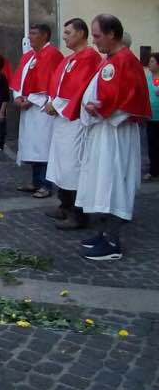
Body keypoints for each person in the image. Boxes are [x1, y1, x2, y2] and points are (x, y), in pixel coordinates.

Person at [70, 14, 151, 260]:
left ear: (112, 34)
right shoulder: (112, 60)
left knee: (114, 183)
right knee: (102, 182)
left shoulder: (126, 61)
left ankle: (113, 242)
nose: (94, 41)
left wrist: (100, 110)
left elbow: (131, 101)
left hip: (116, 134)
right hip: (103, 131)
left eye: (97, 36)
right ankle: (104, 233)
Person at [44, 18, 101, 230]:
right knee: (61, 164)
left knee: (73, 166)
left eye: (68, 33)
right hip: (62, 121)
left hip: (75, 119)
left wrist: (56, 105)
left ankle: (79, 214)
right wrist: (51, 101)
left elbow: (80, 89)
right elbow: (59, 85)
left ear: (81, 33)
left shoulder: (89, 58)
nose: (65, 36)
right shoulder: (69, 59)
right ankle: (65, 204)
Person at [11, 23, 64, 199]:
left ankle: (45, 184)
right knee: (32, 147)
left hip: (42, 110)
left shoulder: (52, 55)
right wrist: (18, 96)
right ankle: (35, 181)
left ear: (44, 35)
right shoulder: (28, 56)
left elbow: (53, 84)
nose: (30, 37)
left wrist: (32, 100)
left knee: (43, 147)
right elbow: (20, 79)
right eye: (30, 33)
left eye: (34, 33)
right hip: (28, 110)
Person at [145, 52, 159, 181]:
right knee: (152, 145)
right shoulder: (147, 78)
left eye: (152, 61)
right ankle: (153, 170)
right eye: (149, 61)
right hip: (151, 117)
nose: (149, 64)